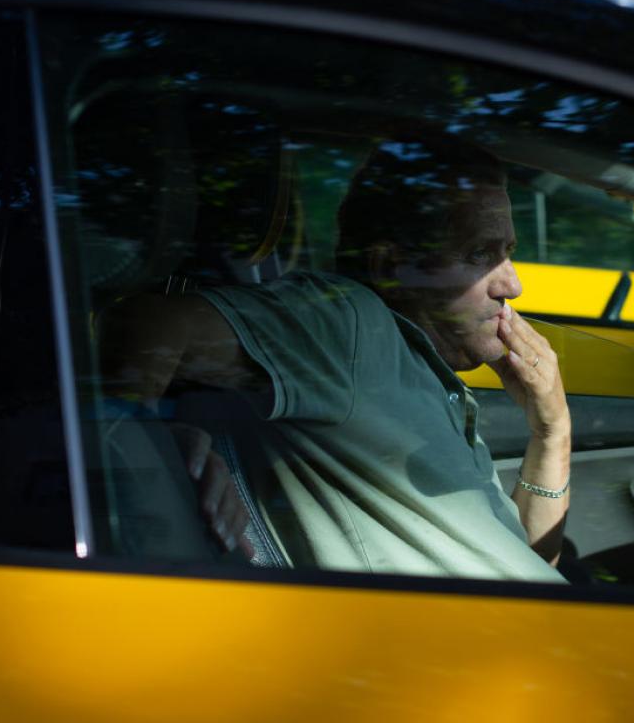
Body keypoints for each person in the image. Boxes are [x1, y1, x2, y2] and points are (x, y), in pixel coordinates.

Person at [100, 133, 571, 582]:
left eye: (507, 252)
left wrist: (551, 432)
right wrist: (148, 440)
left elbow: (529, 564)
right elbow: (147, 322)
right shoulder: (350, 325)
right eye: (479, 255)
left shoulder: (427, 375)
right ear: (391, 268)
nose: (512, 285)